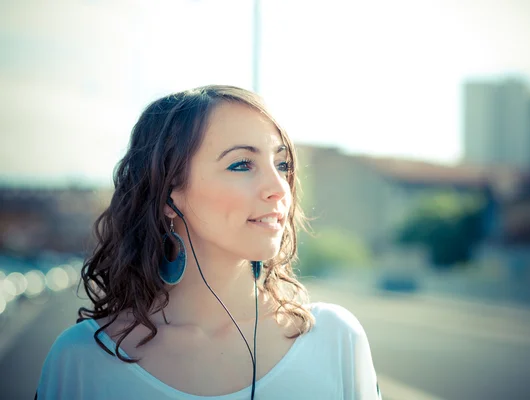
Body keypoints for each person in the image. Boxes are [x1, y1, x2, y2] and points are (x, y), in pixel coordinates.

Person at [36, 85, 381, 399]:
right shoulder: (82, 362)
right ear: (170, 195)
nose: (279, 187)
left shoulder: (336, 340)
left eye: (282, 163)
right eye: (242, 164)